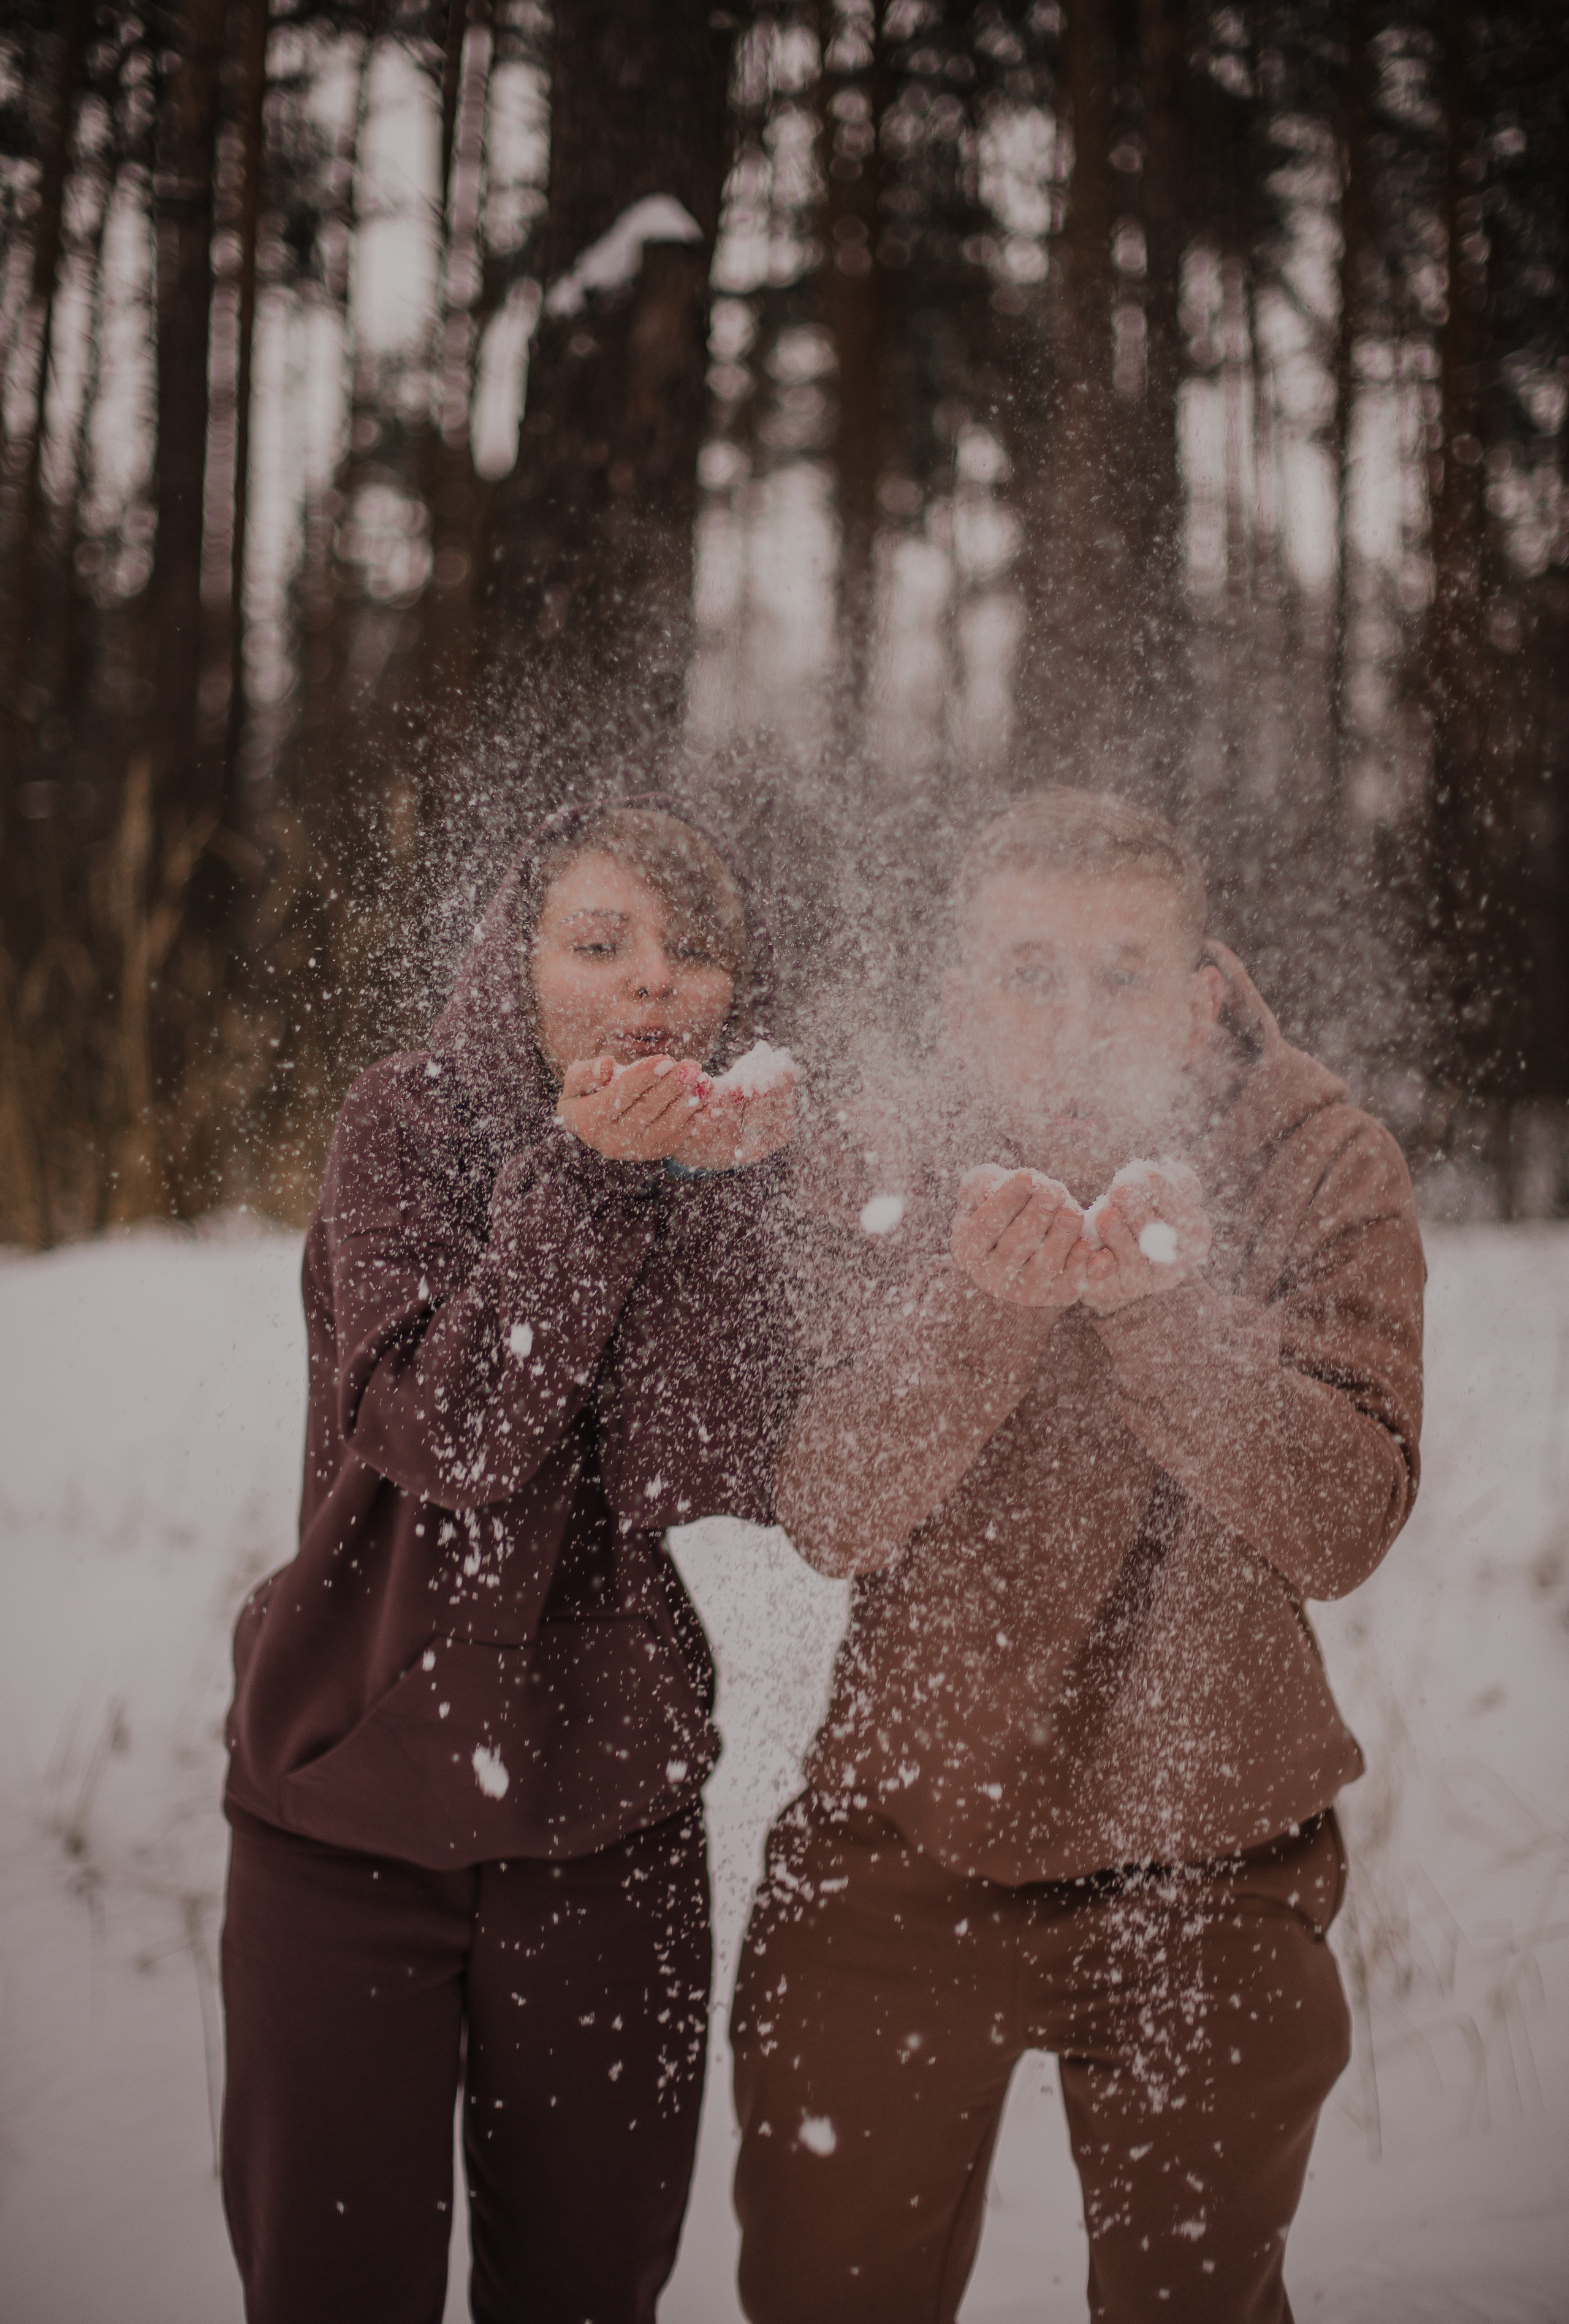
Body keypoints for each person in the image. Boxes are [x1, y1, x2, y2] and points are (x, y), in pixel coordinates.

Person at [731, 788, 1424, 2324]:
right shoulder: (887, 1157)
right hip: (899, 1841)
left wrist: (1163, 1321)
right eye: (1029, 977)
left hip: (1214, 1857)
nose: (1075, 1021)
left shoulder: (1321, 1161)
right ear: (964, 1008)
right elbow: (828, 1506)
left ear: (1195, 1008)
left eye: (1120, 978)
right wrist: (983, 1314)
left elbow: (1343, 1522)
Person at [221, 800, 796, 2324]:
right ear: (509, 963)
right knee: (331, 2287)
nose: (649, 987)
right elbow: (446, 1434)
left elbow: (700, 1461)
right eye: (598, 945)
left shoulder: (718, 1155)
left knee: (589, 2291)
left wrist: (716, 1201)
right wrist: (592, 1180)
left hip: (603, 1815)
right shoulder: (401, 1125)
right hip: (342, 1801)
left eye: (691, 955)